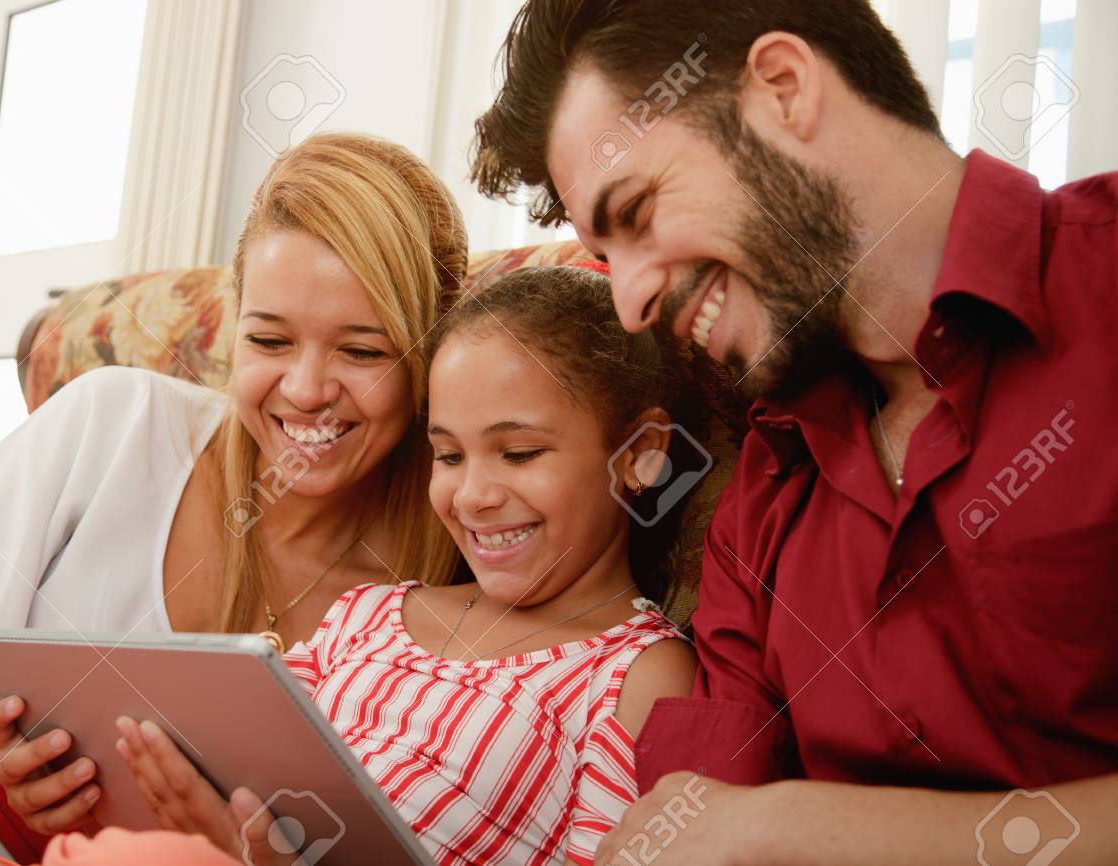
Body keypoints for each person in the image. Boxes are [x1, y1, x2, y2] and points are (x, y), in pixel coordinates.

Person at [469, 1, 1118, 863]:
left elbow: (745, 833)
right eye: (603, 254)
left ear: (783, 88)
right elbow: (688, 825)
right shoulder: (762, 496)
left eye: (637, 211)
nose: (627, 303)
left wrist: (809, 832)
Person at [0, 264, 702, 866]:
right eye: (450, 454)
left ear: (640, 453)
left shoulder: (633, 673)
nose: (474, 496)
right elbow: (218, 780)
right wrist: (80, 784)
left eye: (518, 454)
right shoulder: (372, 614)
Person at [0, 131, 467, 855]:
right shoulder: (118, 423)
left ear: (430, 356)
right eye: (270, 341)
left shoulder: (449, 582)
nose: (307, 391)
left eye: (363, 351)